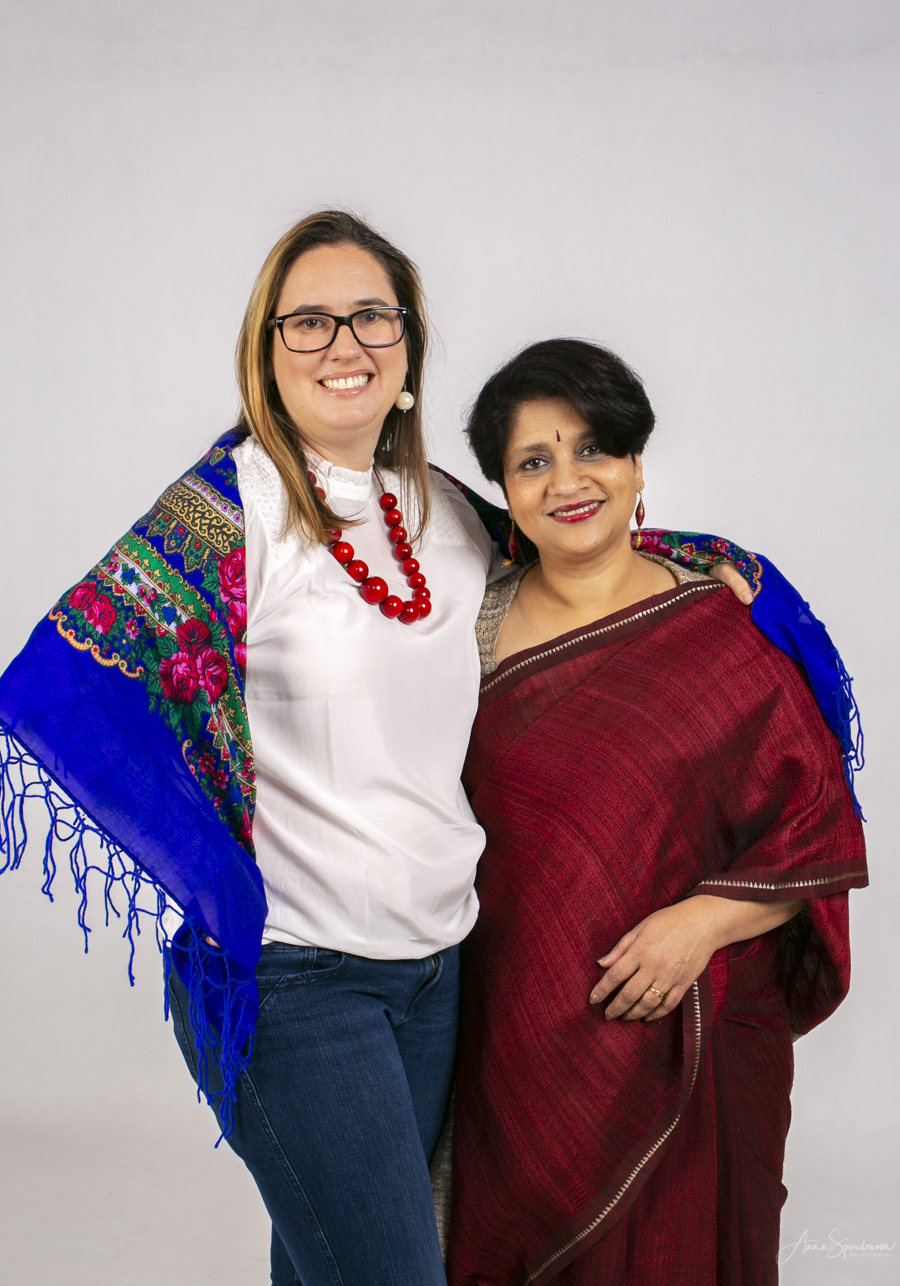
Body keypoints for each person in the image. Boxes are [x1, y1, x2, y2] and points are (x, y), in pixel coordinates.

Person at [0, 214, 835, 1286]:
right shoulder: (228, 508)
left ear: (407, 346)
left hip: (438, 975)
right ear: (266, 352)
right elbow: (74, 671)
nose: (343, 344)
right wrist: (209, 867)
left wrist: (698, 562)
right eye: (308, 322)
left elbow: (572, 545)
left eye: (371, 316)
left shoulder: (442, 511)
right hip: (298, 979)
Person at [446, 338, 867, 1285]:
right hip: (515, 1029)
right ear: (504, 492)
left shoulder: (724, 621)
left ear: (637, 465)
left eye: (594, 448)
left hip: (700, 1031)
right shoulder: (463, 634)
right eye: (533, 461)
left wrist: (699, 925)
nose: (568, 480)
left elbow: (815, 826)